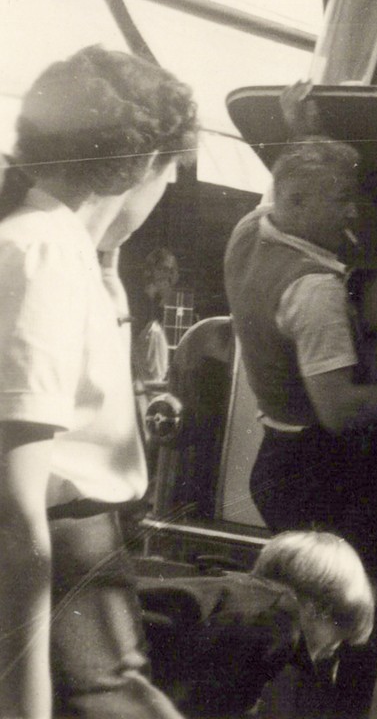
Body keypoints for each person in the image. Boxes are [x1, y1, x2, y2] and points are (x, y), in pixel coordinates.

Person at [0, 46, 196, 719]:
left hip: (77, 573)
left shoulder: (53, 246)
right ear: (143, 164)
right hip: (61, 576)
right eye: (170, 175)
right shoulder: (43, 253)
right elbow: (14, 510)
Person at [223, 138, 377, 718]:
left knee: (292, 621)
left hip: (278, 464)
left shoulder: (247, 234)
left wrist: (302, 131)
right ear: (297, 201)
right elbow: (338, 411)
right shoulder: (314, 291)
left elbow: (276, 191)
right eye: (341, 200)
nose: (353, 212)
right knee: (353, 623)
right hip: (328, 475)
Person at [138, 530, 375, 718]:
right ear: (319, 608)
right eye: (338, 636)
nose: (332, 651)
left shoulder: (242, 596)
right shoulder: (277, 622)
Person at [131, 247, 178, 413]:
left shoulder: (160, 302)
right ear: (152, 271)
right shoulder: (144, 302)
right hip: (144, 377)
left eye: (170, 271)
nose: (168, 276)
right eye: (163, 270)